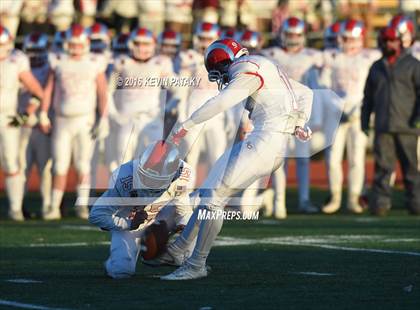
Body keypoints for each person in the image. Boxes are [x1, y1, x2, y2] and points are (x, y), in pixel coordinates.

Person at [158, 38, 313, 280]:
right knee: (210, 192)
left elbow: (222, 101)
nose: (221, 77)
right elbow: (306, 92)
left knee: (213, 200)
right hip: (268, 141)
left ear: (225, 62)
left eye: (218, 72)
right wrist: (300, 122)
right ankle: (178, 250)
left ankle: (196, 264)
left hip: (265, 141)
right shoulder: (263, 64)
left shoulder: (245, 68)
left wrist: (188, 124)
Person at [89, 140, 194, 278]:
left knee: (199, 211)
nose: (151, 184)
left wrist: (183, 225)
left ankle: (185, 258)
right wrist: (128, 224)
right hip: (130, 221)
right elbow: (97, 215)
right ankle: (114, 264)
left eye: (157, 181)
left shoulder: (182, 175)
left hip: (162, 216)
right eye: (147, 177)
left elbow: (183, 210)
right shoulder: (123, 177)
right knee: (121, 272)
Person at [39, 24, 109, 220]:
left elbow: (103, 93)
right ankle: (53, 207)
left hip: (85, 120)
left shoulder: (94, 62)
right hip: (62, 120)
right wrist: (43, 112)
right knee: (59, 165)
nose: (75, 48)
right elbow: (48, 89)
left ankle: (82, 206)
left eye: (78, 44)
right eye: (72, 44)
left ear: (86, 44)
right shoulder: (59, 60)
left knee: (83, 165)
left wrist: (103, 118)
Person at [262, 16, 322, 217]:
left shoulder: (312, 57)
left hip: (302, 113)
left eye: (296, 34)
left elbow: (315, 88)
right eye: (289, 34)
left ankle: (303, 199)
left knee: (303, 159)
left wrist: (316, 116)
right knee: (280, 159)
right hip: (280, 113)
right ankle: (279, 202)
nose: (293, 38)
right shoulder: (273, 54)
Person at [321, 19, 381, 214]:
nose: (344, 41)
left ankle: (354, 197)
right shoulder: (332, 56)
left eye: (348, 38)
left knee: (357, 158)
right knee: (332, 159)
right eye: (343, 37)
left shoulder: (369, 57)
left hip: (358, 113)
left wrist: (362, 108)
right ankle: (335, 196)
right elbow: (324, 85)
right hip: (337, 114)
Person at [361, 26, 420, 216]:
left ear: (400, 42)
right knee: (383, 168)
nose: (389, 44)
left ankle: (415, 202)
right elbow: (368, 97)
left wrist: (418, 118)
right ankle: (380, 203)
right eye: (386, 41)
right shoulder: (376, 67)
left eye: (393, 40)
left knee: (410, 168)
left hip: (407, 126)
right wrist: (364, 120)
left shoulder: (413, 64)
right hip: (383, 125)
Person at [0, 25, 44, 221]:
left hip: (7, 118)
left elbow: (37, 91)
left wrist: (26, 113)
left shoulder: (16, 60)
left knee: (11, 162)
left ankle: (15, 209)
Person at [19, 32, 53, 219]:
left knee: (45, 168)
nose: (33, 54)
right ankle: (19, 205)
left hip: (42, 127)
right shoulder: (19, 67)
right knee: (22, 167)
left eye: (37, 50)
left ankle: (48, 205)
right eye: (30, 50)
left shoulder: (50, 68)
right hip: (22, 126)